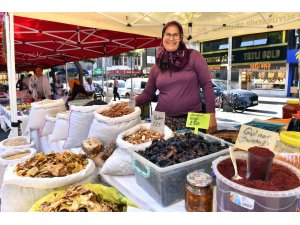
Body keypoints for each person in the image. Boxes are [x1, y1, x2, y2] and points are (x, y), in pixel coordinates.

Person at [135, 21, 217, 133]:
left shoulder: (193, 56)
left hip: (192, 118)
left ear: (181, 37)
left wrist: (211, 115)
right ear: (163, 37)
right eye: (168, 34)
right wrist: (129, 103)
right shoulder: (158, 65)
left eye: (175, 35)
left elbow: (207, 85)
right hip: (161, 119)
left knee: (195, 148)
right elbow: (147, 94)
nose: (171, 38)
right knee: (156, 149)